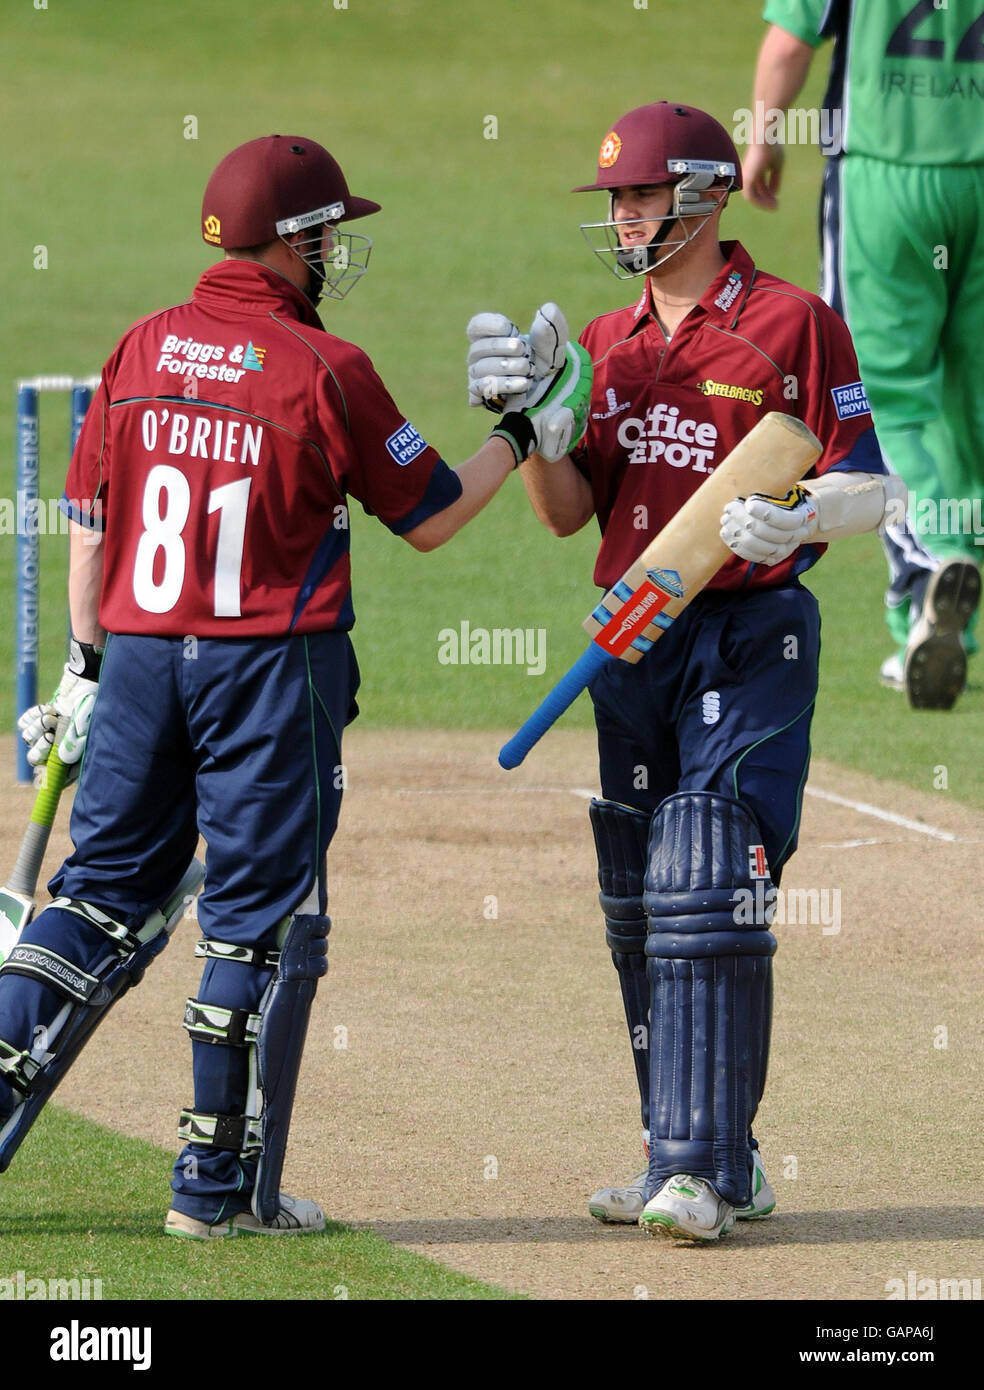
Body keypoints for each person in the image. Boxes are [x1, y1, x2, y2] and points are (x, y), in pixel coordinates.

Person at [0, 134, 589, 1238]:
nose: (335, 252)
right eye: (327, 234)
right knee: (249, 926)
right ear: (289, 243)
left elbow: (89, 530)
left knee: (93, 895)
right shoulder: (327, 368)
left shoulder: (139, 347)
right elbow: (430, 518)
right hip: (269, 668)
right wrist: (520, 431)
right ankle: (210, 1196)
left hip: (135, 659)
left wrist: (84, 668)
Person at [468, 100, 905, 1242]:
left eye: (644, 195)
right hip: (634, 638)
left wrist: (800, 509)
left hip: (753, 635)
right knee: (643, 902)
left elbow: (876, 484)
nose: (624, 216)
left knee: (710, 871)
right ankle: (702, 1152)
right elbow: (572, 517)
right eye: (614, 198)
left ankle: (700, 1170)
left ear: (707, 194)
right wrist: (539, 432)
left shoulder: (793, 325)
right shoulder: (609, 345)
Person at [741, 4, 983, 709]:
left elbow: (791, 41)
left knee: (880, 392)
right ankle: (953, 603)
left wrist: (763, 137)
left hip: (883, 177)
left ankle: (931, 571)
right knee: (970, 396)